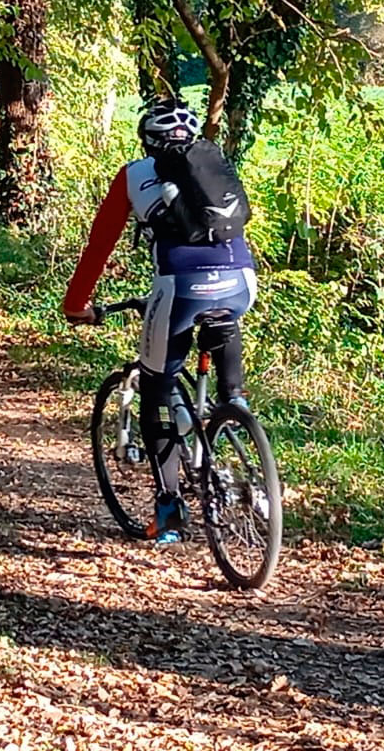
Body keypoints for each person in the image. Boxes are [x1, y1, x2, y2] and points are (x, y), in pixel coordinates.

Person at [62, 97, 256, 545]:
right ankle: (238, 415)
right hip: (242, 281)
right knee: (225, 336)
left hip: (179, 287)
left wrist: (76, 305)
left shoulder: (133, 175)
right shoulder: (214, 165)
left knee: (157, 388)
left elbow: (99, 247)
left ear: (146, 140)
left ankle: (169, 506)